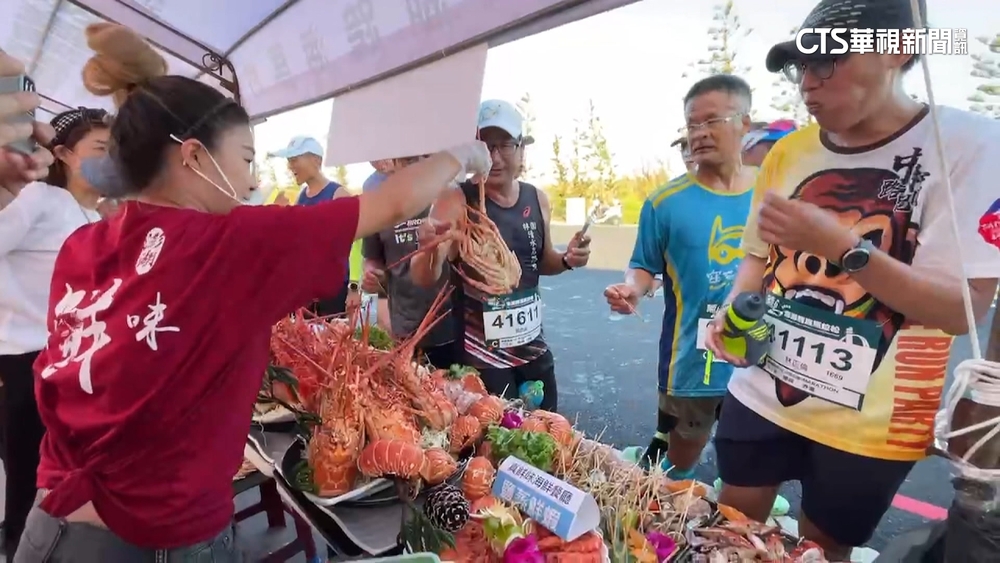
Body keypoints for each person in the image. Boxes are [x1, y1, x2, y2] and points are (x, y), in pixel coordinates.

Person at [18, 23, 490, 561]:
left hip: (48, 521)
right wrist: (461, 154)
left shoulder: (82, 243)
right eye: (245, 159)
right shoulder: (228, 242)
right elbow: (392, 204)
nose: (249, 182)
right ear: (193, 156)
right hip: (153, 538)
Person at [704, 0, 1000, 558]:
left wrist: (841, 246)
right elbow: (756, 255)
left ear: (899, 51)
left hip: (876, 424)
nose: (808, 86)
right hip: (761, 390)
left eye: (827, 63)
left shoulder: (971, 145)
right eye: (801, 69)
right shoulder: (788, 150)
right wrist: (733, 308)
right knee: (728, 535)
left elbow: (959, 311)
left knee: (822, 551)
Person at [604, 75, 756, 481]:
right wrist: (632, 289)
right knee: (679, 466)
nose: (700, 134)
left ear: (746, 123)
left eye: (713, 121)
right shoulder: (663, 203)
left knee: (748, 469)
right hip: (692, 366)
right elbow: (643, 265)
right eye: (692, 124)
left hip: (761, 363)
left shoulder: (774, 194)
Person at [410, 100, 591, 411]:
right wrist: (429, 247)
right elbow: (424, 274)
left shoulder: (538, 198)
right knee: (497, 447)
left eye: (504, 145)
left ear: (521, 150)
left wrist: (567, 259)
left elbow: (541, 260)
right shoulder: (454, 200)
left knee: (547, 437)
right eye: (484, 145)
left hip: (533, 350)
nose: (493, 156)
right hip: (483, 362)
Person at [0, 107, 109, 554]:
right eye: (102, 149)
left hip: (70, 367)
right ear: (63, 153)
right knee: (27, 478)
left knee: (57, 478)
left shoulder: (95, 217)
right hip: (24, 361)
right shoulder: (36, 201)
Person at [0, 49, 57, 556]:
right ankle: (17, 542)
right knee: (24, 466)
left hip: (61, 354)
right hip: (21, 355)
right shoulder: (28, 201)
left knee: (49, 464)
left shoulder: (62, 203)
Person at [363, 155, 462, 368]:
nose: (418, 167)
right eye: (408, 161)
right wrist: (371, 274)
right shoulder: (380, 204)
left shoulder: (453, 196)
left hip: (453, 327)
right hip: (404, 330)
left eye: (425, 158)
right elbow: (372, 258)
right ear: (394, 164)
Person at [269, 135, 354, 317]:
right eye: (289, 161)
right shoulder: (302, 197)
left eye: (294, 160)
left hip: (332, 293)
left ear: (315, 160)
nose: (290, 167)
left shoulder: (338, 195)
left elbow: (344, 244)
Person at [362, 159, 397, 331]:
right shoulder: (371, 187)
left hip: (446, 313)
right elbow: (371, 255)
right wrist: (372, 274)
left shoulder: (440, 183)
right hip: (396, 311)